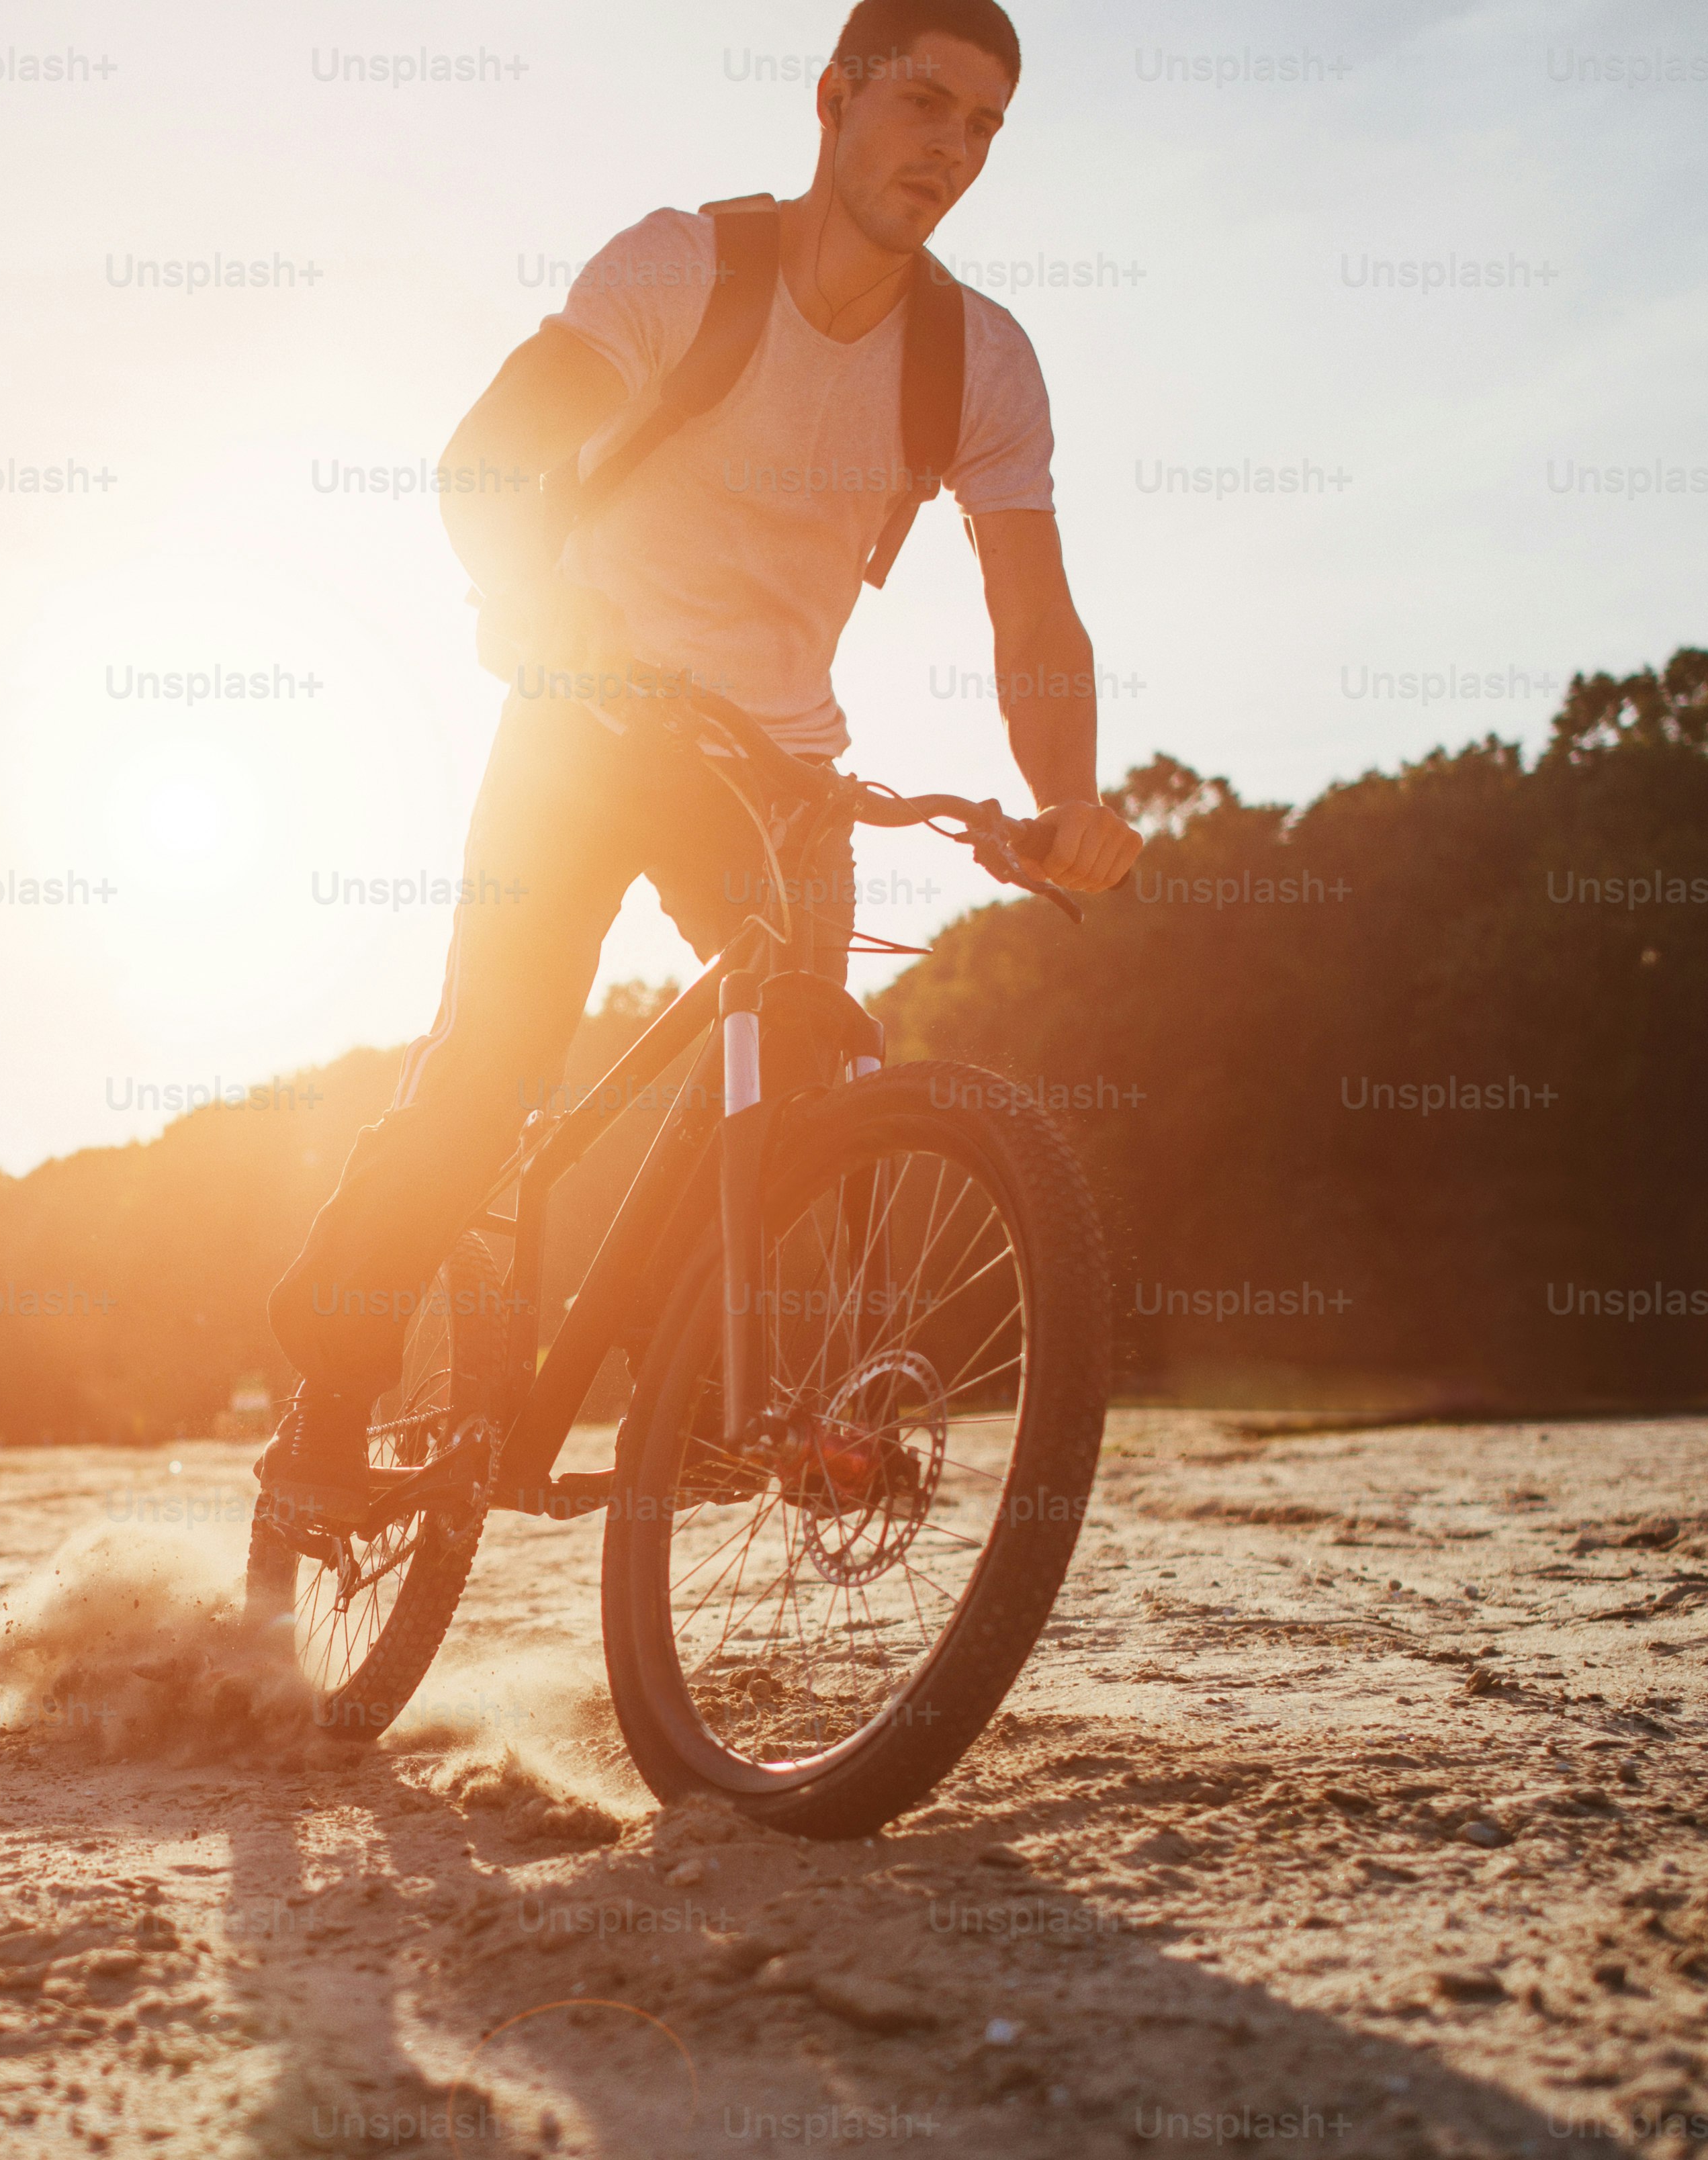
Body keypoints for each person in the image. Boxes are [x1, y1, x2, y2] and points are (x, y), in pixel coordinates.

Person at [260, 0, 1141, 1529]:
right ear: (831, 97)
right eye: (926, 106)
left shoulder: (979, 363)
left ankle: (713, 1394)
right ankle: (324, 1416)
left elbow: (1034, 619)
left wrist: (1062, 795)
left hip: (773, 765)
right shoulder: (686, 265)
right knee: (490, 1071)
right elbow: (487, 459)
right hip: (580, 722)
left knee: (803, 1070)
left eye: (983, 130)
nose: (953, 151)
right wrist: (533, 610)